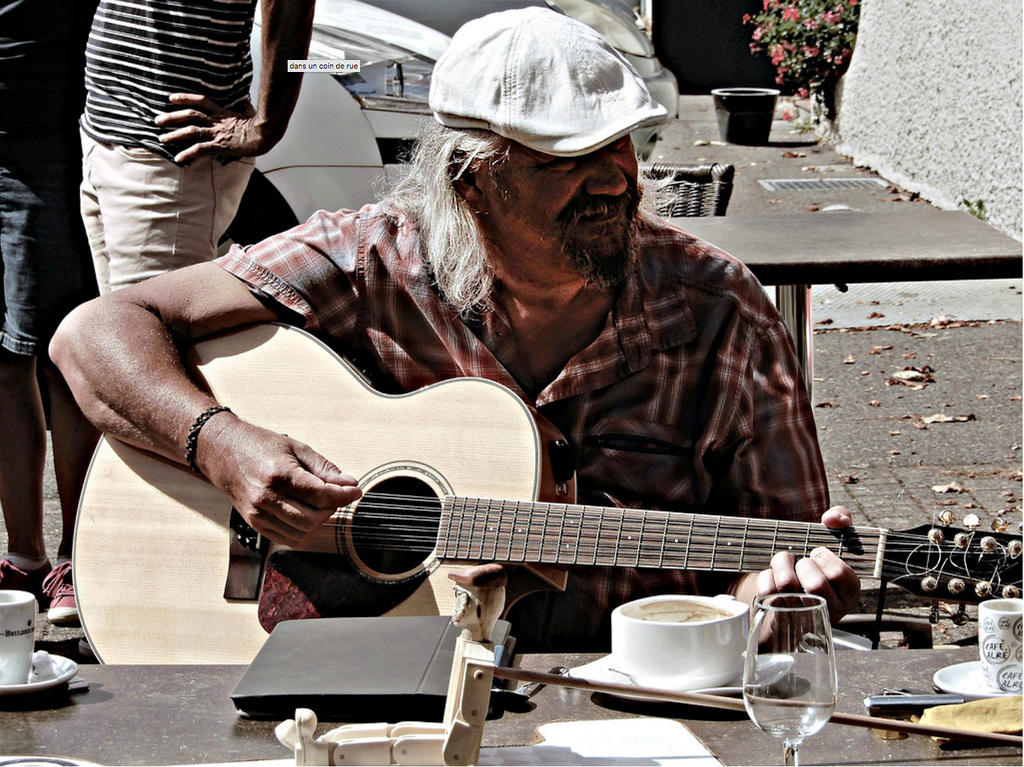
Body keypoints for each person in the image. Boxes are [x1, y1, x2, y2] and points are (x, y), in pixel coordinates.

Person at [52, 8, 860, 651]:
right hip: (379, 690)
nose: (613, 178)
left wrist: (769, 601)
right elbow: (94, 333)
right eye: (563, 158)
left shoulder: (723, 311)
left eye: (621, 144)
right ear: (472, 183)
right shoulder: (372, 257)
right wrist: (224, 448)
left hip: (633, 699)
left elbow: (778, 568)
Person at [79, 0, 316, 294]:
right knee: (119, 323)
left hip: (167, 158)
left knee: (152, 327)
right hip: (106, 134)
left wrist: (267, 126)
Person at [0, 0, 101, 624]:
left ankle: (78, 555)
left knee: (63, 357)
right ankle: (24, 556)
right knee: (3, 360)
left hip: (51, 148)